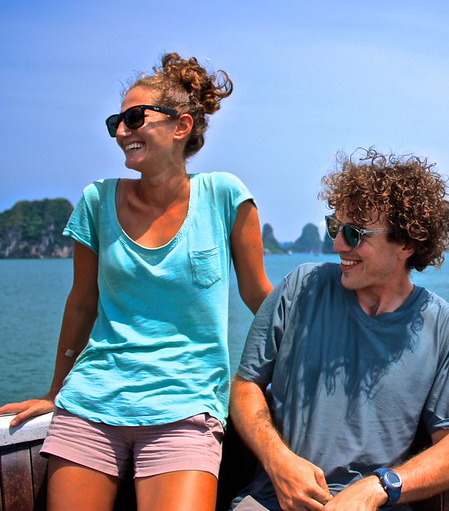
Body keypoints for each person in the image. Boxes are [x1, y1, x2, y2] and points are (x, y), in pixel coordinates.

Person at [0, 53, 273, 510]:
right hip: (91, 401)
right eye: (116, 122)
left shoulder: (224, 195)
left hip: (186, 408)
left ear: (181, 126)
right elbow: (82, 304)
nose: (121, 132)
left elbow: (258, 296)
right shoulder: (96, 200)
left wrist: (319, 352)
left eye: (133, 118)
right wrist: (55, 390)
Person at [230, 149, 449, 510]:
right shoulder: (300, 288)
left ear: (407, 244)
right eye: (335, 227)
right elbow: (244, 386)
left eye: (354, 233)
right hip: (276, 498)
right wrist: (279, 461)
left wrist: (377, 488)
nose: (337, 245)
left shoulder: (444, 327)